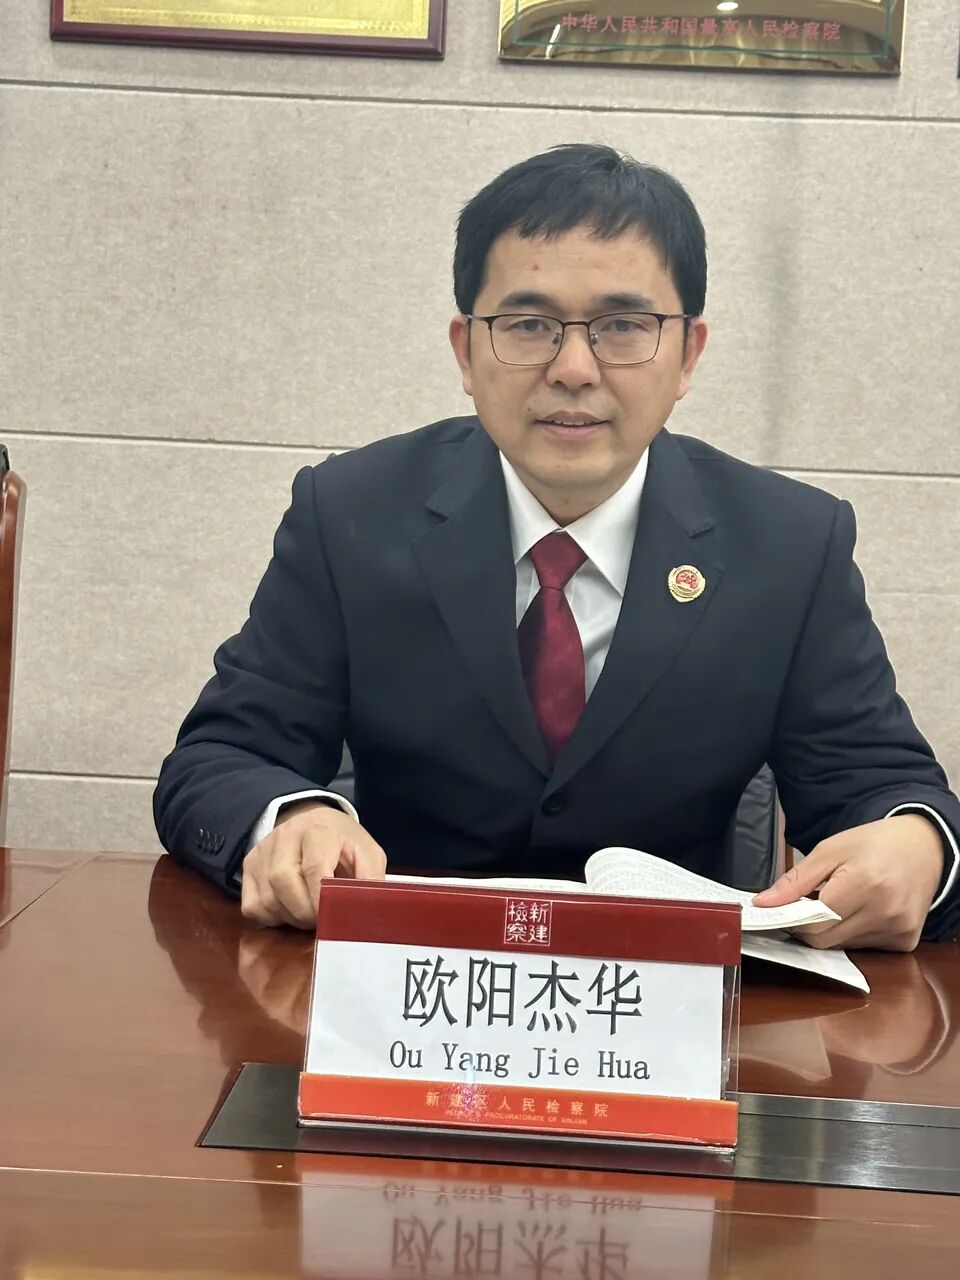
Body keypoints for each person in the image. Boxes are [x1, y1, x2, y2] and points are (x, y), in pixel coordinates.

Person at [154, 144, 960, 949]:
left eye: (623, 327)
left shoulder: (789, 545)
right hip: (408, 979)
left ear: (688, 355)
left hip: (669, 990)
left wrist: (916, 845)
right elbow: (220, 756)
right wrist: (291, 817)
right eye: (529, 325)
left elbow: (883, 787)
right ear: (466, 350)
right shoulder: (350, 513)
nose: (574, 369)